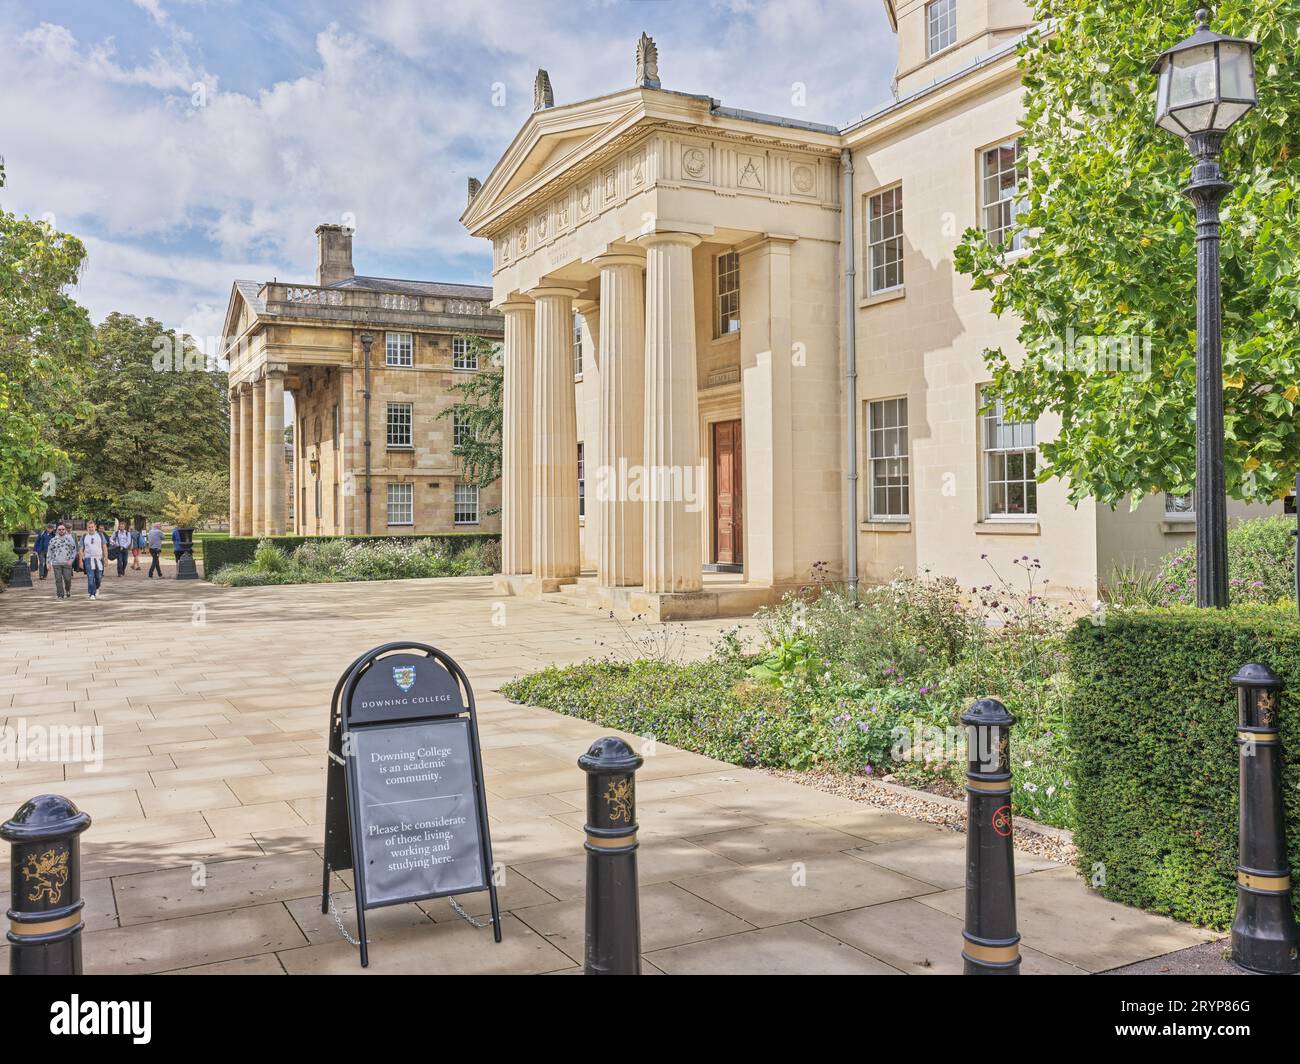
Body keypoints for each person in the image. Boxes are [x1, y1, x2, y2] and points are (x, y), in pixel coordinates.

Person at [47, 522, 77, 600]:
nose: (61, 530)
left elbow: (74, 550)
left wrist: (71, 560)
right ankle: (60, 594)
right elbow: (49, 552)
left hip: (67, 563)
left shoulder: (69, 539)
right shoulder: (53, 540)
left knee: (67, 579)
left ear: (65, 530)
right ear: (57, 530)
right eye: (59, 529)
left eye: (63, 529)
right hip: (56, 563)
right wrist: (48, 563)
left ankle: (67, 589)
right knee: (58, 579)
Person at [79, 520, 107, 599]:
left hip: (99, 559)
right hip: (88, 559)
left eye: (92, 527)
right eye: (89, 527)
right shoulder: (84, 536)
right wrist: (80, 561)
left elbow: (104, 547)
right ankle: (92, 593)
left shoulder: (100, 535)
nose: (91, 528)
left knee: (98, 577)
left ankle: (97, 587)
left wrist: (106, 558)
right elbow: (81, 549)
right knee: (90, 576)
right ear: (87, 528)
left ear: (95, 527)